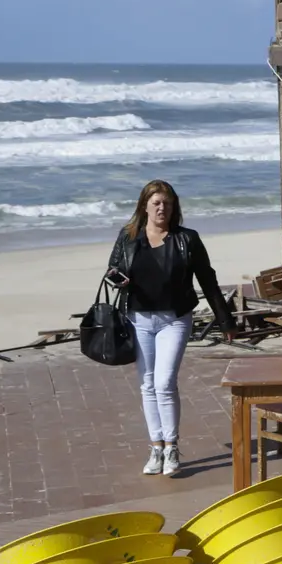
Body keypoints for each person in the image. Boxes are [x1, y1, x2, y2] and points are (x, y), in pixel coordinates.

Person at [105, 180, 237, 477]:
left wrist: (225, 320)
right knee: (147, 385)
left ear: (174, 207)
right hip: (138, 319)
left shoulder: (187, 239)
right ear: (145, 206)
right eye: (156, 203)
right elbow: (111, 270)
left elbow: (208, 280)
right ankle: (156, 446)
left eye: (167, 203)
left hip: (175, 319)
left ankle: (172, 446)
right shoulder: (128, 237)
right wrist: (118, 279)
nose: (161, 208)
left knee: (164, 382)